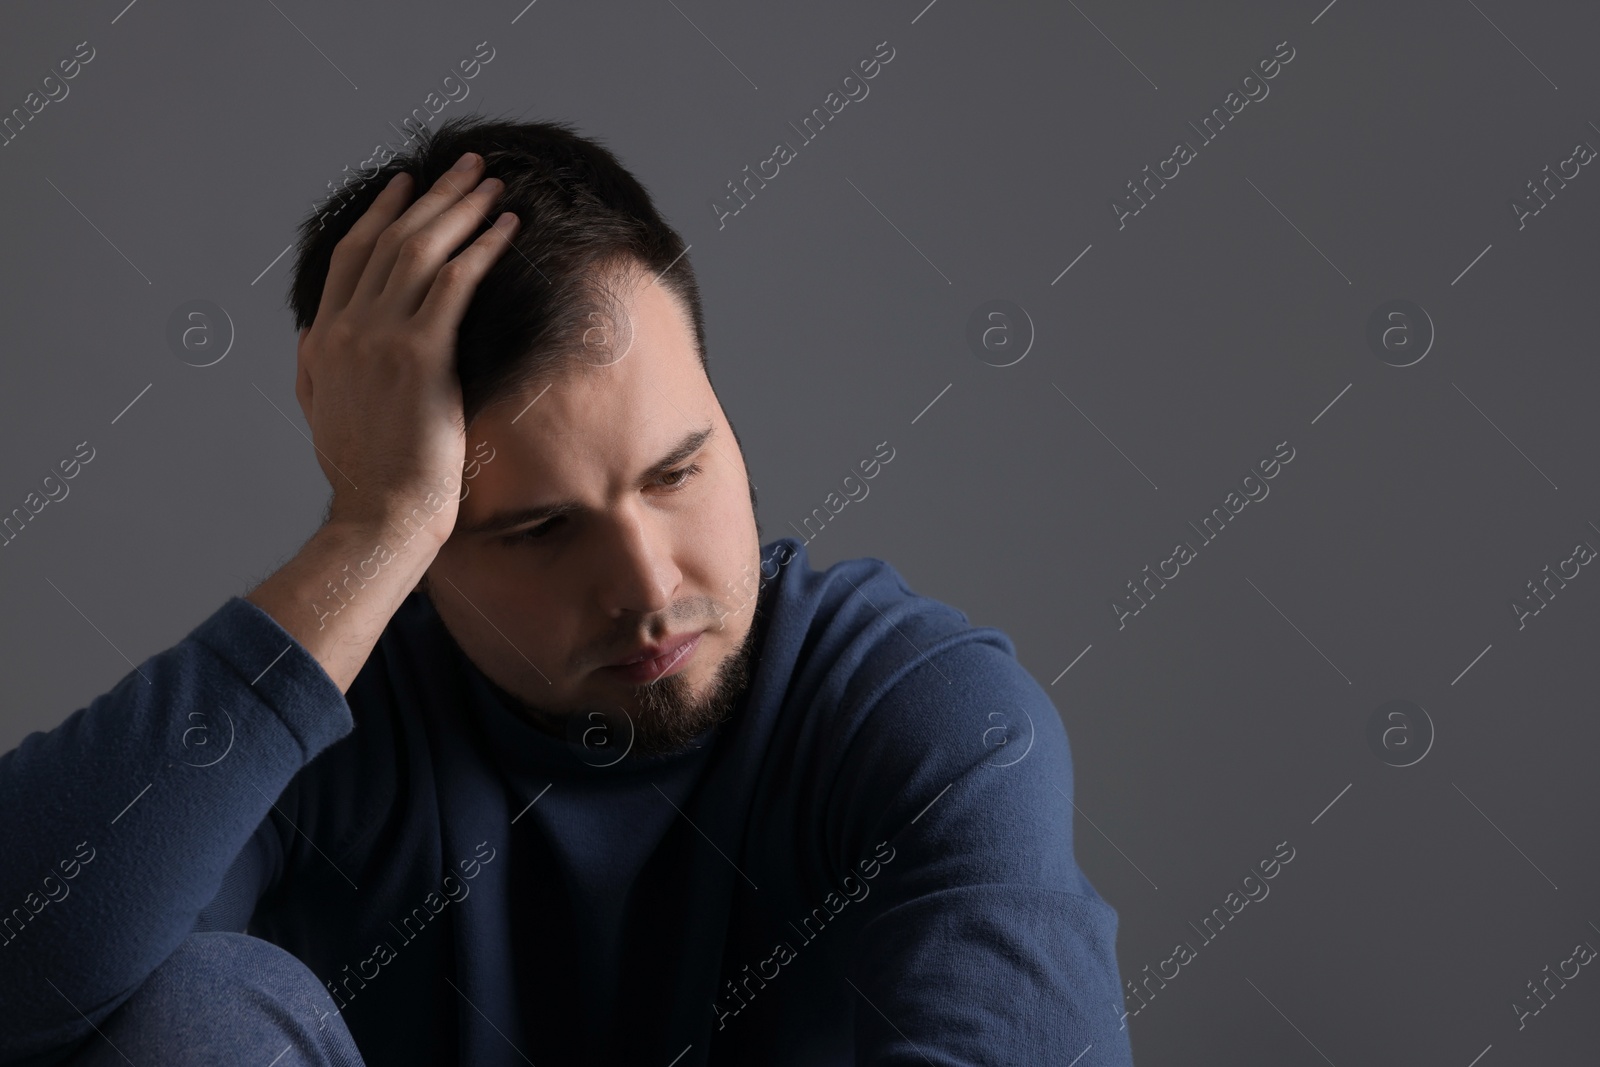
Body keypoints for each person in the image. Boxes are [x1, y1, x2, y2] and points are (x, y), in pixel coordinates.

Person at [0, 116, 1135, 1066]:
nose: (649, 586)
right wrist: (368, 528)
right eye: (538, 530)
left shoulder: (922, 714)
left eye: (677, 471)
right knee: (189, 1002)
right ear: (427, 537)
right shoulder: (330, 733)